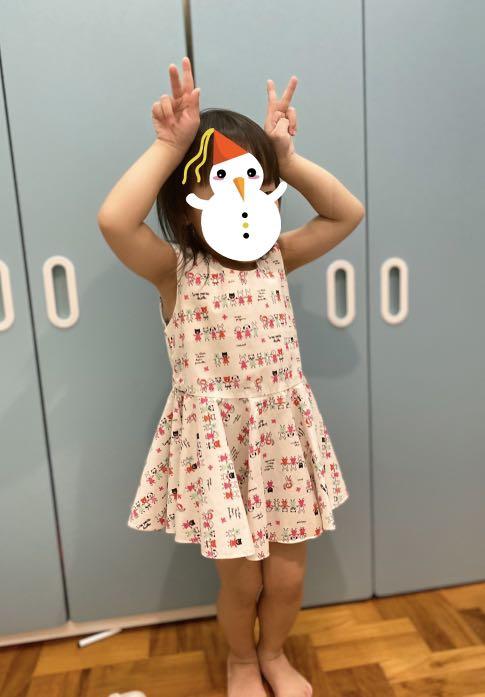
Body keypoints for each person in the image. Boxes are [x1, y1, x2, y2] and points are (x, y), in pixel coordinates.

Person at [98, 56, 364, 697]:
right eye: (222, 181)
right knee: (241, 581)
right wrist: (169, 147)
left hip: (282, 440)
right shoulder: (174, 270)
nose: (243, 195)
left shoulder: (276, 258)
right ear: (187, 205)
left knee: (289, 578)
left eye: (255, 179)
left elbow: (346, 213)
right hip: (219, 446)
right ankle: (241, 661)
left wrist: (287, 159)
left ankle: (273, 653)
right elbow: (114, 221)